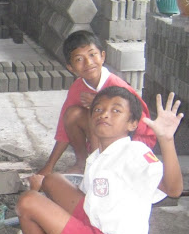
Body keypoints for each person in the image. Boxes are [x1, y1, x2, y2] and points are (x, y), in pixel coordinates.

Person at [8, 87, 183, 234]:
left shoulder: (135, 153)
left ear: (132, 124)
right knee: (51, 180)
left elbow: (174, 190)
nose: (104, 114)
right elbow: (88, 199)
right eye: (98, 109)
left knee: (28, 202)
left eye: (116, 110)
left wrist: (166, 139)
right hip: (97, 226)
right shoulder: (99, 155)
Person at [38, 31, 156, 175]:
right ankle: (83, 163)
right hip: (102, 142)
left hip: (132, 142)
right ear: (70, 67)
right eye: (79, 59)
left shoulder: (117, 86)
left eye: (92, 54)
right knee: (73, 113)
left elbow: (141, 125)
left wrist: (99, 105)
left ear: (103, 56)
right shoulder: (77, 88)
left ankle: (99, 170)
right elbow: (64, 128)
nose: (88, 63)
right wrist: (49, 166)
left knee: (98, 116)